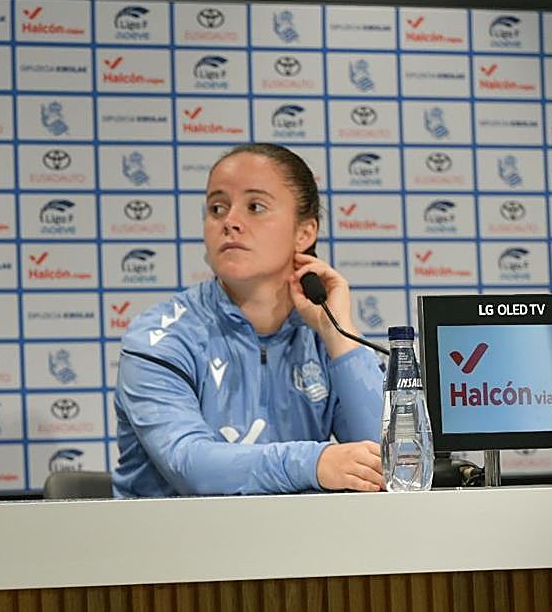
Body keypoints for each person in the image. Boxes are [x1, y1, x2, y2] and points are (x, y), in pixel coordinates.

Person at [113, 143, 384, 497]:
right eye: (217, 208)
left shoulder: (320, 335)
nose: (231, 222)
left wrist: (339, 336)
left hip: (298, 545)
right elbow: (190, 464)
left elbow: (392, 462)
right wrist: (315, 463)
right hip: (171, 547)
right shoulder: (160, 338)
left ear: (304, 233)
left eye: (255, 207)